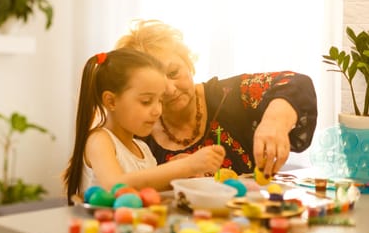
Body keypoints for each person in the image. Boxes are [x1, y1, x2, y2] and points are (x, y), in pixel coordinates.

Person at [115, 19, 317, 179]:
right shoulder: (137, 130)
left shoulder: (227, 95)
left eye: (174, 72)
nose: (169, 89)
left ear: (188, 63)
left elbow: (294, 83)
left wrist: (274, 121)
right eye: (155, 85)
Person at [63, 48, 225, 204]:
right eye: (146, 101)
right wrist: (185, 166)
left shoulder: (143, 149)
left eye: (160, 100)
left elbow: (145, 189)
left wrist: (175, 175)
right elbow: (115, 186)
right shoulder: (99, 140)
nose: (157, 111)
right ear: (111, 101)